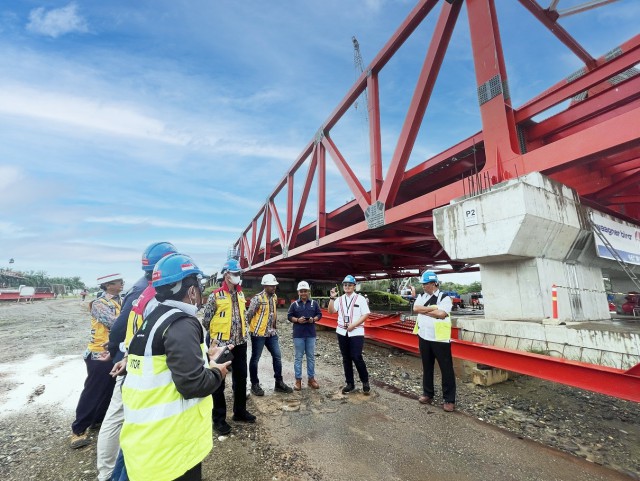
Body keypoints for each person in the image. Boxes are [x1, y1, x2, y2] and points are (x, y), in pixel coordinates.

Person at [120, 253, 231, 481]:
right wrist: (217, 372)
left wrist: (201, 356)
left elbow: (164, 365)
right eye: (199, 287)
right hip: (171, 451)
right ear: (191, 291)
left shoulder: (154, 319)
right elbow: (193, 385)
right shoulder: (182, 322)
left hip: (146, 446)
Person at [97, 242, 177, 481]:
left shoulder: (145, 288)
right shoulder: (151, 293)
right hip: (136, 365)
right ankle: (108, 472)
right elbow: (122, 326)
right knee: (119, 415)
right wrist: (117, 352)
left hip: (133, 361)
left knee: (128, 419)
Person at [70, 273, 124, 449]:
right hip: (99, 354)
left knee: (108, 389)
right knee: (94, 391)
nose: (122, 284)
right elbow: (116, 325)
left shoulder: (119, 300)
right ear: (108, 285)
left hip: (112, 352)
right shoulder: (99, 304)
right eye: (118, 282)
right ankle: (78, 430)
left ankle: (97, 420)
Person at [203, 258, 256, 436]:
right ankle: (218, 419)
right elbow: (206, 320)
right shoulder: (215, 296)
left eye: (239, 274)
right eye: (235, 274)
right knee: (219, 382)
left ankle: (239, 412)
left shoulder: (241, 295)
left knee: (241, 379)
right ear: (226, 275)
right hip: (222, 345)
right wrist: (215, 340)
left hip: (240, 343)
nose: (238, 277)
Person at [413, 270, 456, 412]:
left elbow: (442, 314)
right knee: (427, 366)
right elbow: (416, 308)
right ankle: (428, 393)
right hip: (424, 336)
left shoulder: (444, 298)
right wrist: (433, 311)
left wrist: (424, 310)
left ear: (433, 284)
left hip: (440, 339)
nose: (423, 286)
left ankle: (449, 399)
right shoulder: (421, 296)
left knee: (446, 369)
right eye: (423, 284)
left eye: (425, 284)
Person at [247, 274, 293, 396]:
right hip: (258, 334)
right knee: (255, 359)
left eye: (275, 286)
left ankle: (279, 382)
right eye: (272, 286)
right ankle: (254, 384)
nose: (274, 288)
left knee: (277, 356)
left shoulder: (274, 297)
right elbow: (249, 315)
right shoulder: (257, 299)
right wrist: (253, 329)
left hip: (271, 333)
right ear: (265, 285)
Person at [328, 275, 371, 395]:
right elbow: (331, 311)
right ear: (343, 286)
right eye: (345, 285)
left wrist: (353, 325)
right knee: (346, 358)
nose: (347, 287)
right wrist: (332, 298)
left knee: (357, 356)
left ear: (354, 286)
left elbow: (366, 314)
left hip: (356, 332)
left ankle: (365, 382)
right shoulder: (339, 299)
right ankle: (350, 383)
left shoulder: (360, 299)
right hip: (342, 331)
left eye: (350, 285)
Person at [287, 281, 322, 390]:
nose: (303, 293)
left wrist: (313, 319)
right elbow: (289, 316)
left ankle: (311, 379)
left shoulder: (314, 304)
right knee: (298, 358)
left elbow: (319, 314)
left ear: (308, 292)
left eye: (305, 291)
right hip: (298, 335)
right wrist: (297, 320)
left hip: (311, 334)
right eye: (301, 291)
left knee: (311, 357)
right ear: (298, 292)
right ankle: (298, 380)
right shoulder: (294, 304)